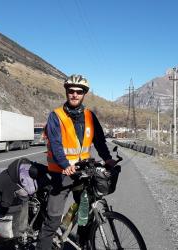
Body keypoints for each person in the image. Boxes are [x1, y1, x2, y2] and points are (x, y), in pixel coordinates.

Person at [37, 74, 116, 250]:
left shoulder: (89, 116)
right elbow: (56, 145)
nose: (74, 94)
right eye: (71, 91)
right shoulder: (55, 116)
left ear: (84, 94)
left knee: (85, 214)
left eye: (79, 92)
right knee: (52, 219)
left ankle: (83, 243)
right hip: (61, 175)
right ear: (66, 92)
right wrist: (66, 165)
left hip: (83, 174)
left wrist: (108, 158)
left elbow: (100, 141)